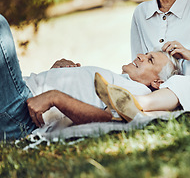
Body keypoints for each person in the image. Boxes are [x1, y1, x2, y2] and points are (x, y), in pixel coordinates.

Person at [0, 15, 180, 140]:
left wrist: (55, 96)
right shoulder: (119, 80)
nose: (140, 55)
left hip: (20, 113)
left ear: (157, 82)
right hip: (20, 94)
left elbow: (106, 119)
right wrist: (58, 72)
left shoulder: (137, 92)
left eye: (150, 60)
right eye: (146, 53)